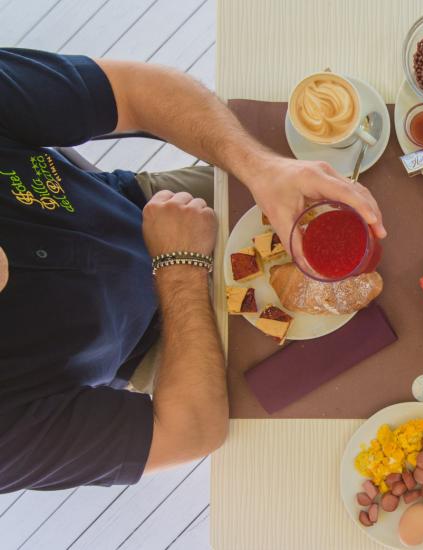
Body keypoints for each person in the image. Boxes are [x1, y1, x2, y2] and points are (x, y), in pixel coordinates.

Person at [0, 48, 385, 492]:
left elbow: (135, 91)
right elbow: (187, 434)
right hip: (157, 344)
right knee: (333, 399)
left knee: (364, 189)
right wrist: (179, 269)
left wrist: (263, 168)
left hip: (153, 207)